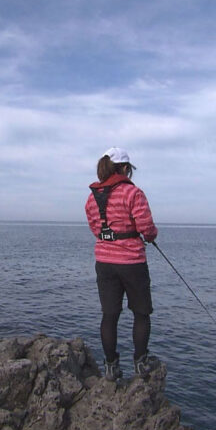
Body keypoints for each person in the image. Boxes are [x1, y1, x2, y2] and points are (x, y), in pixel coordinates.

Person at [85, 147, 159, 381]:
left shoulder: (92, 197)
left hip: (104, 262)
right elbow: (146, 228)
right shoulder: (132, 193)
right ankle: (140, 363)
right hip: (132, 263)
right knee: (141, 313)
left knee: (109, 315)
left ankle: (110, 367)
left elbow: (96, 228)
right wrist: (151, 236)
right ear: (125, 168)